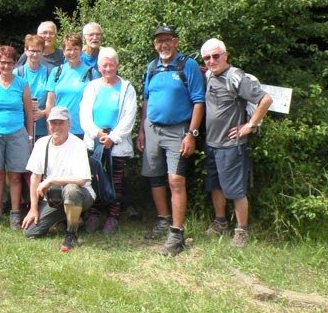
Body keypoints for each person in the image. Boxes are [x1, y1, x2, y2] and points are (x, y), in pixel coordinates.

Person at [136, 24, 205, 256]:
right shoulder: (151, 67)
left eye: (167, 40)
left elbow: (198, 101)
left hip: (179, 131)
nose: (163, 44)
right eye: (158, 41)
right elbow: (146, 100)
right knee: (155, 177)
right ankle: (163, 220)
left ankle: (176, 233)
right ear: (154, 45)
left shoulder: (188, 65)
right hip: (152, 129)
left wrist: (191, 134)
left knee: (176, 180)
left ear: (176, 41)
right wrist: (142, 130)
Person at [200, 38, 273, 247]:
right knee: (216, 186)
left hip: (231, 146)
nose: (212, 61)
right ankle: (220, 222)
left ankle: (241, 231)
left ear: (225, 55)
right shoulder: (209, 75)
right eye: (207, 58)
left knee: (235, 190)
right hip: (212, 144)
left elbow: (265, 99)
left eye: (216, 56)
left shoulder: (235, 77)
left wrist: (249, 125)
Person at [79, 47, 137, 235]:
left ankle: (113, 216)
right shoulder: (92, 87)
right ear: (99, 66)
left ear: (117, 66)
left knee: (116, 181)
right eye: (104, 65)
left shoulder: (127, 88)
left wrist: (112, 137)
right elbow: (84, 114)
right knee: (94, 180)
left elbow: (130, 116)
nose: (108, 68)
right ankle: (94, 214)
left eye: (111, 64)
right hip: (95, 142)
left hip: (116, 143)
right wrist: (98, 134)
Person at [22, 107, 95, 252]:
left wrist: (51, 180)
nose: (56, 127)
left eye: (60, 123)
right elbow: (35, 177)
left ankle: (71, 234)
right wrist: (33, 209)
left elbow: (81, 179)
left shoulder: (79, 145)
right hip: (54, 197)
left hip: (81, 193)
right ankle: (69, 218)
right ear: (48, 125)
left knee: (71, 189)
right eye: (53, 123)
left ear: (69, 124)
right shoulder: (41, 144)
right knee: (30, 232)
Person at [0, 45, 32, 229]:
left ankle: (15, 213)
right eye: (2, 63)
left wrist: (30, 138)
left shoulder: (22, 83)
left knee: (16, 176)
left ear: (15, 63)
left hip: (17, 133)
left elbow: (29, 113)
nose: (6, 66)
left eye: (9, 63)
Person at [45, 33, 96, 139]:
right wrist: (50, 127)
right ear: (63, 52)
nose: (72, 52)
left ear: (81, 51)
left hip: (82, 129)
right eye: (68, 49)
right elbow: (50, 103)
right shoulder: (56, 72)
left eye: (76, 49)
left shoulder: (91, 73)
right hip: (59, 129)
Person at [16, 34, 51, 141]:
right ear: (26, 51)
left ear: (43, 52)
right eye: (32, 50)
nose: (35, 54)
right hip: (21, 127)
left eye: (38, 51)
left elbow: (54, 100)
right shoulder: (17, 73)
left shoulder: (49, 73)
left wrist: (43, 112)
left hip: (43, 128)